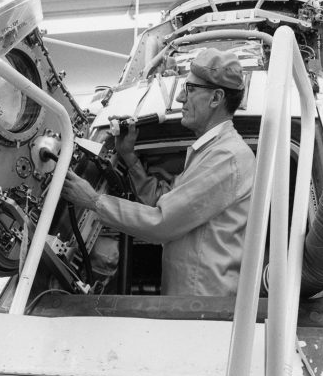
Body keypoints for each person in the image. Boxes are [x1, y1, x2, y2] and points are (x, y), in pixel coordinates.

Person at [62, 47, 255, 296]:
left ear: (216, 98)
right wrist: (130, 157)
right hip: (190, 303)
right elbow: (164, 202)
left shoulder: (226, 157)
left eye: (190, 89)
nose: (180, 99)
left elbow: (161, 222)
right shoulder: (211, 151)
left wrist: (94, 201)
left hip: (203, 309)